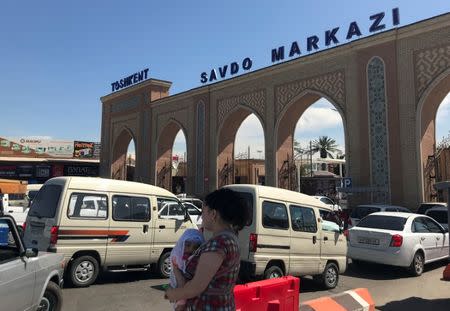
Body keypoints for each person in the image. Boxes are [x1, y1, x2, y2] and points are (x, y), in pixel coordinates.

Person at [164, 188, 249, 310]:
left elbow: (196, 286)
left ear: (213, 214)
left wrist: (172, 294)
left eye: (203, 211)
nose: (201, 216)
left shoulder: (218, 243)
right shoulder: (230, 239)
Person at [169, 229, 205, 311]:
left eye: (196, 247)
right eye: (188, 245)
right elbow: (174, 276)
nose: (191, 249)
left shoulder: (197, 260)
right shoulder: (177, 255)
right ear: (182, 244)